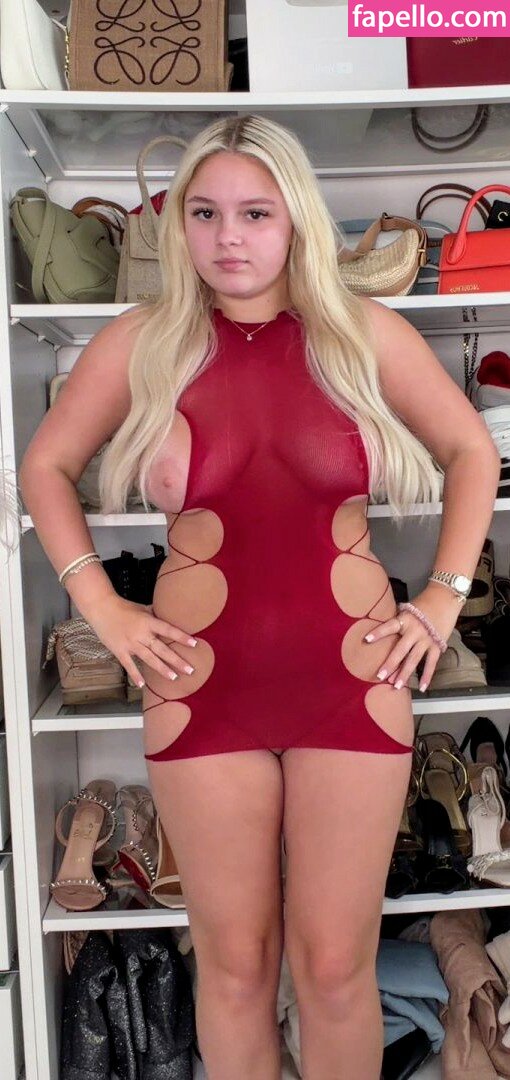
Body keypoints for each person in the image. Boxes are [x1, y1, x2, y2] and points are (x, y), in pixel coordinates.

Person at [19, 114, 499, 1079]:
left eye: (254, 212)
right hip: (202, 689)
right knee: (237, 969)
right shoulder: (143, 341)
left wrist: (445, 597)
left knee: (334, 969)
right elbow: (45, 467)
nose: (228, 237)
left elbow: (470, 449)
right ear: (179, 226)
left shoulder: (360, 334)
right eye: (203, 213)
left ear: (295, 221)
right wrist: (102, 606)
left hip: (351, 685)